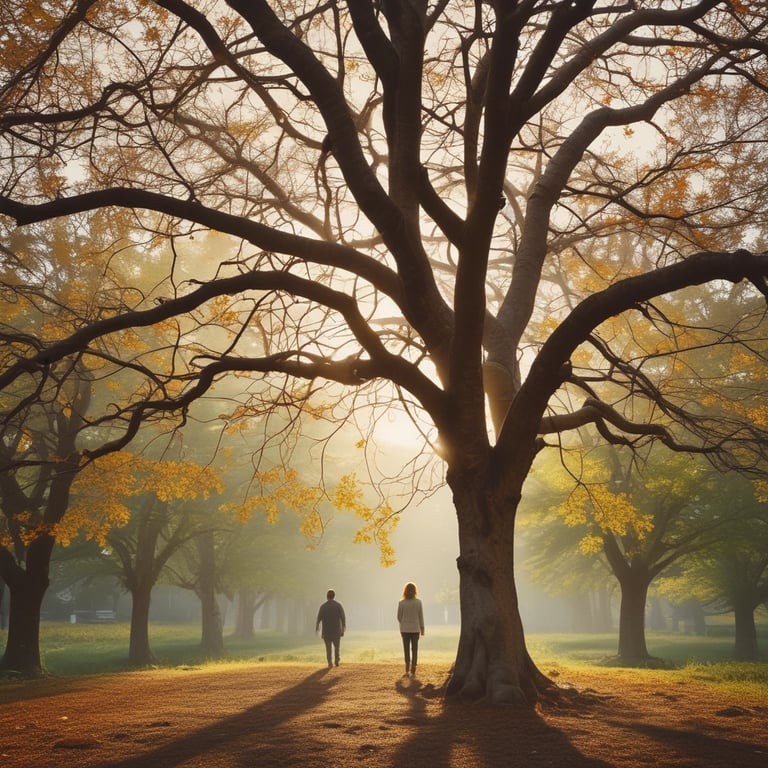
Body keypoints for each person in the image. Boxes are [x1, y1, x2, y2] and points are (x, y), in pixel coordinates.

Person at [397, 582, 424, 678]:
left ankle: (407, 667)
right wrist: (422, 628)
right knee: (415, 649)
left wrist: (404, 622)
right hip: (415, 628)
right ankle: (414, 667)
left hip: (405, 629)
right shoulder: (418, 602)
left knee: (406, 648)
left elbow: (399, 617)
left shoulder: (401, 603)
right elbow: (420, 616)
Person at [315, 589, 346, 668]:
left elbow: (319, 618)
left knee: (328, 648)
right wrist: (343, 629)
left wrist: (317, 627)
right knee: (337, 647)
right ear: (334, 596)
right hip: (336, 631)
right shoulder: (338, 605)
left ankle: (329, 663)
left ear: (327, 596)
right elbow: (343, 618)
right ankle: (336, 661)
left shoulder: (323, 606)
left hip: (326, 631)